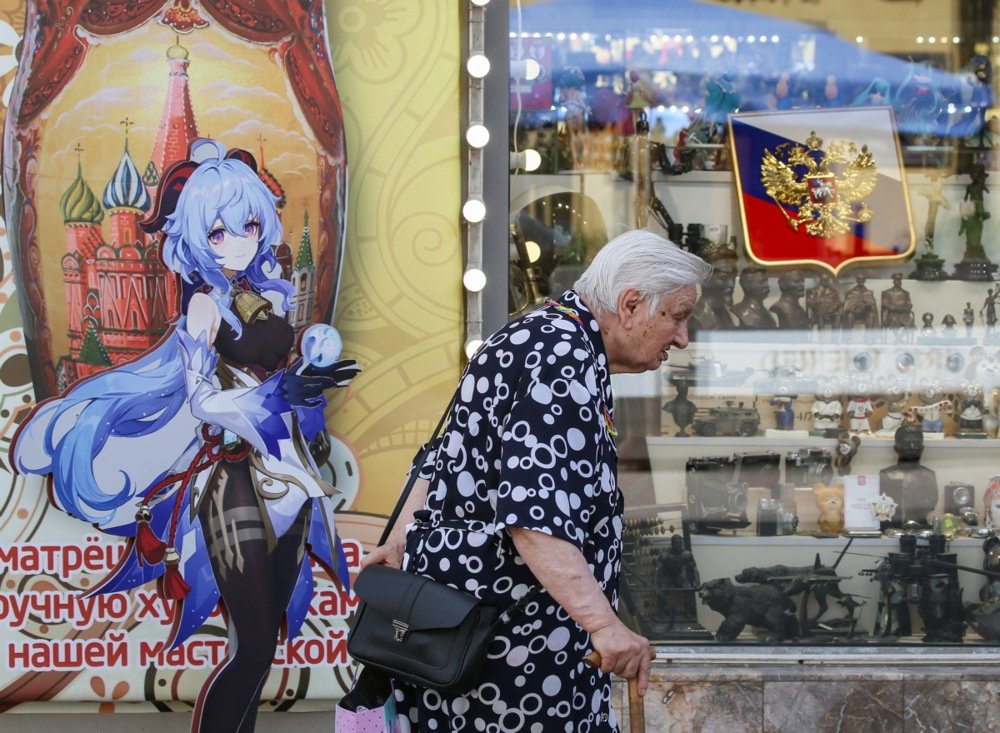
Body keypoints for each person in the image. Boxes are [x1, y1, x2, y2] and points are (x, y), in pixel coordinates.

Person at [12, 139, 359, 733]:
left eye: (248, 224)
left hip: (290, 477)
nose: (238, 241)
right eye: (218, 232)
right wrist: (274, 398)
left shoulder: (268, 296)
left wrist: (305, 382)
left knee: (264, 646)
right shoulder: (204, 308)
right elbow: (202, 400)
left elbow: (275, 370)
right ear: (195, 237)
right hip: (232, 478)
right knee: (250, 646)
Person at [363, 230, 710, 732]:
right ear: (631, 304)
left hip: (467, 638)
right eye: (676, 317)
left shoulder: (535, 334)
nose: (681, 337)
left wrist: (398, 540)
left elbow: (446, 452)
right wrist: (604, 628)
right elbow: (534, 517)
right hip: (515, 651)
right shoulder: (562, 357)